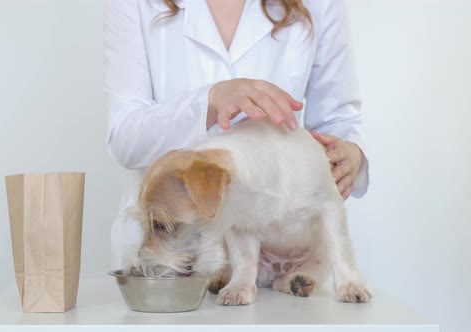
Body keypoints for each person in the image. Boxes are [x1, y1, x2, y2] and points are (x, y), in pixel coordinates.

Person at [104, 0, 369, 268]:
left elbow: (337, 120)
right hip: (167, 259)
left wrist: (348, 155)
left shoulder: (321, 4)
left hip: (280, 253)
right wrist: (209, 101)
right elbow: (124, 137)